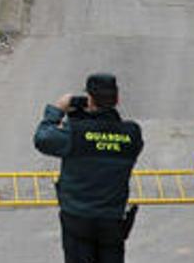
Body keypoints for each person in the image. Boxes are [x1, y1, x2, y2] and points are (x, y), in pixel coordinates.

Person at [34, 73, 143, 263]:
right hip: (112, 222)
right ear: (117, 99)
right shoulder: (132, 134)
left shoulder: (75, 133)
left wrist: (58, 110)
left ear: (90, 100)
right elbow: (108, 133)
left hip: (78, 219)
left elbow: (42, 138)